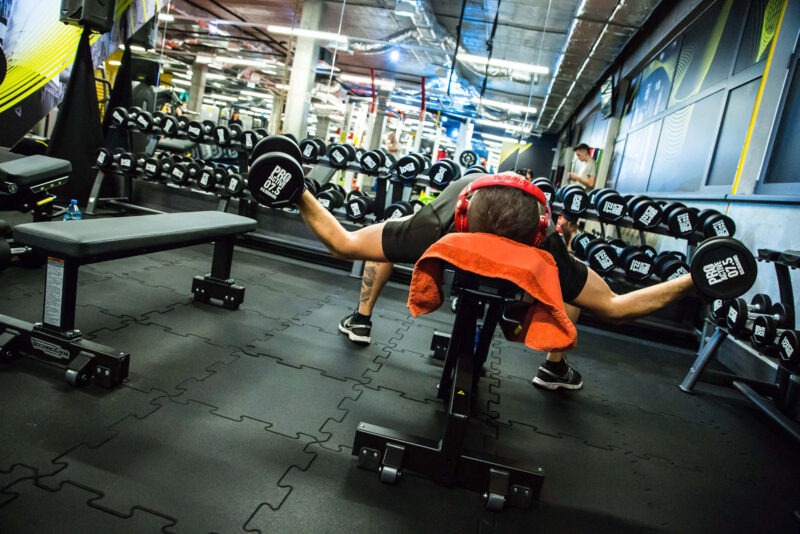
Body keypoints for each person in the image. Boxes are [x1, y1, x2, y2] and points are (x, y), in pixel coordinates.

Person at [294, 172, 696, 391]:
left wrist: (298, 192)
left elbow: (342, 242)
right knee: (566, 278)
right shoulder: (441, 219)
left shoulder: (546, 242)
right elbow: (616, 307)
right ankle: (555, 368)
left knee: (382, 242)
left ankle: (361, 317)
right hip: (469, 195)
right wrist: (695, 281)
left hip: (493, 213)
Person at [561, 143, 597, 251]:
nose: (577, 157)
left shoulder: (592, 164)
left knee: (569, 226)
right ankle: (567, 248)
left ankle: (569, 251)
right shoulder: (585, 165)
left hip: (580, 201)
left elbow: (591, 183)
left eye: (578, 154)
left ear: (584, 152)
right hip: (575, 198)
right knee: (564, 225)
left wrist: (577, 177)